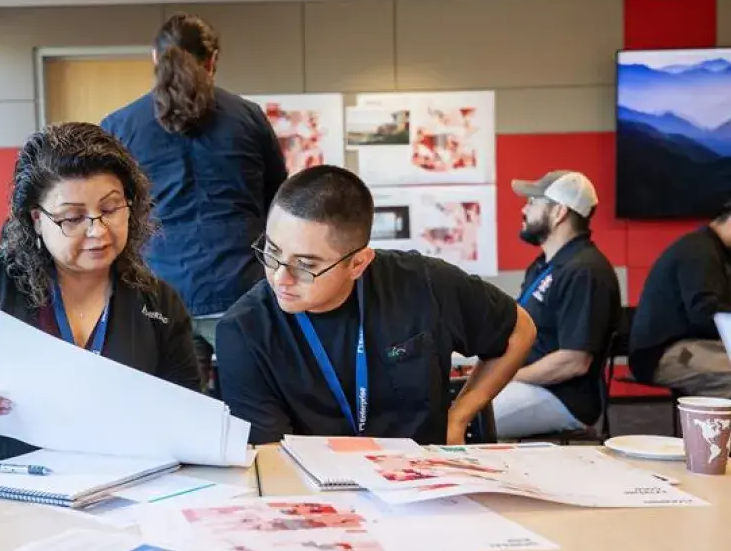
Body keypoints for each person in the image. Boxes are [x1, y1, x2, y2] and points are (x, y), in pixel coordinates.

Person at [0, 122, 201, 460]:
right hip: (0, 496)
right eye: (72, 218)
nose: (97, 230)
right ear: (36, 219)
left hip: (120, 496)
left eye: (109, 209)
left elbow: (190, 417)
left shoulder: (159, 303)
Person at [215, 165, 536, 445]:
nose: (280, 277)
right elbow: (270, 459)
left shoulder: (424, 284)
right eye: (272, 251)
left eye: (305, 264)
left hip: (425, 482)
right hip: (316, 491)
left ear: (358, 263)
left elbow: (519, 330)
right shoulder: (244, 330)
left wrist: (460, 416)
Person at [101, 12, 287, 391]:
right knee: (256, 409)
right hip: (242, 289)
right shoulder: (248, 118)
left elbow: (108, 211)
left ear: (155, 58)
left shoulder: (120, 126)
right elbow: (279, 203)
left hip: (162, 291)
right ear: (213, 59)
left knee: (178, 416)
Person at [493, 171, 621, 438]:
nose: (523, 209)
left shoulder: (585, 271)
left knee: (462, 418)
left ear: (558, 212)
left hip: (562, 398)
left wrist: (505, 376)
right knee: (447, 403)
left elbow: (573, 361)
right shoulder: (546, 265)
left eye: (532, 203)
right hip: (531, 384)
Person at [629, 199, 731, 396]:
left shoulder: (715, 252)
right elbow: (703, 313)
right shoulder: (699, 251)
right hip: (664, 353)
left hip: (696, 344)